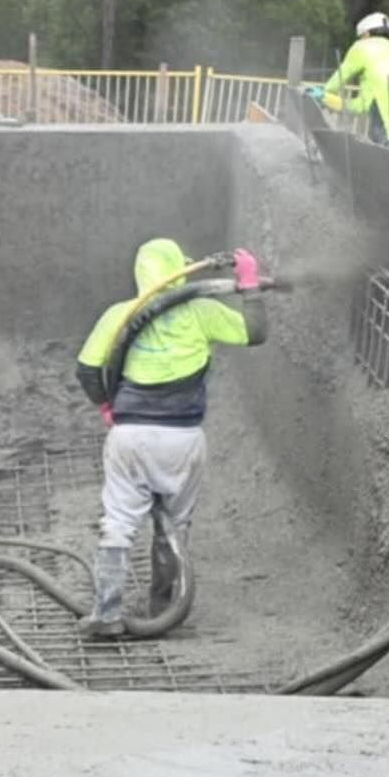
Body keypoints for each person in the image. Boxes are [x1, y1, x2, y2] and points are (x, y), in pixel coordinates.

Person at [74, 236, 268, 637]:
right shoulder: (201, 311)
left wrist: (107, 407)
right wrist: (249, 289)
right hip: (184, 440)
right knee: (174, 526)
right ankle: (162, 609)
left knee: (118, 522)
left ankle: (106, 612)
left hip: (129, 438)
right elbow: (255, 333)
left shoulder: (120, 314)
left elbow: (88, 371)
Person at [312, 12, 389, 166]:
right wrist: (334, 102)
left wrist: (321, 95)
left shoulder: (362, 48)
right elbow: (364, 105)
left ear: (366, 34)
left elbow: (334, 85)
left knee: (387, 188)